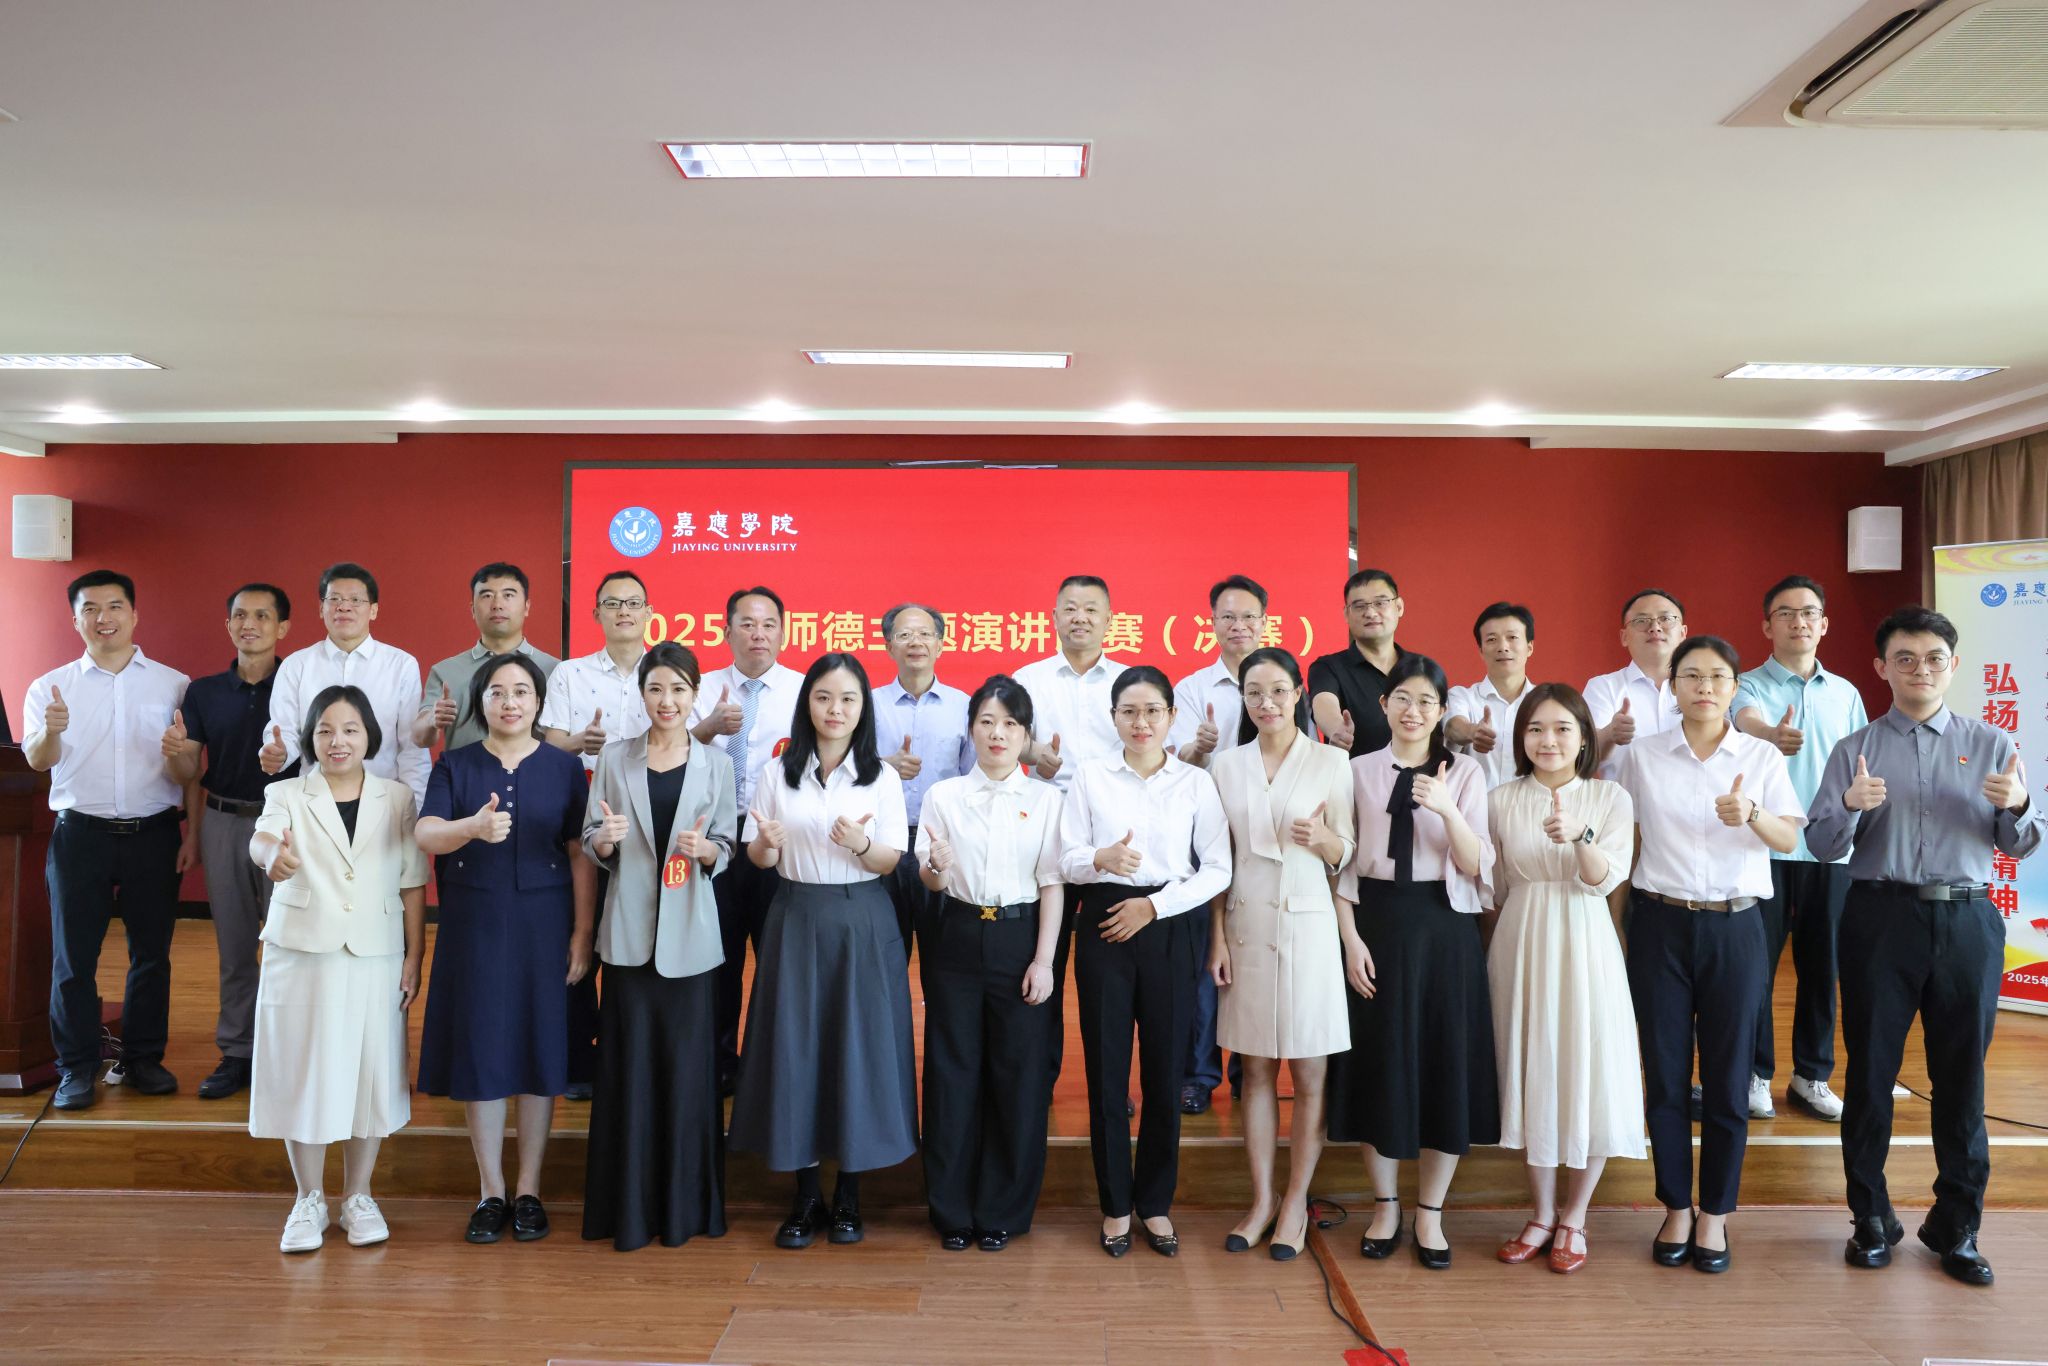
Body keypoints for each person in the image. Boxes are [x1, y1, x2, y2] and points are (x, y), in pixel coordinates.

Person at [1809, 605, 2043, 1287]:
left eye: (1934, 657)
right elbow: (1821, 844)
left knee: (1962, 1078)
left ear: (1953, 665)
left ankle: (1957, 1226)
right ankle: (1870, 1217)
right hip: (1879, 918)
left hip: (1968, 921)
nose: (1920, 669)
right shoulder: (1854, 749)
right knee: (1870, 1074)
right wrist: (1849, 805)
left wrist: (2018, 806)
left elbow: (2021, 846)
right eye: (1905, 658)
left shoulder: (1992, 743)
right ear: (1881, 667)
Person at [1614, 636, 1802, 1274]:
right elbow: (1624, 840)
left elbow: (1787, 837)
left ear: (1734, 686)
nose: (1704, 687)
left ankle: (1715, 1213)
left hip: (1736, 926)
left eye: (1717, 676)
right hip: (1659, 923)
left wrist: (1751, 812)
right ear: (1672, 686)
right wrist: (1616, 927)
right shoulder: (1642, 756)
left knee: (1727, 1076)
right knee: (1665, 1072)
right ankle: (1675, 1205)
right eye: (1691, 675)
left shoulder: (1760, 755)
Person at [731, 653, 916, 1250]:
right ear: (806, 703)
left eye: (848, 699)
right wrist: (765, 843)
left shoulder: (881, 777)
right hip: (795, 914)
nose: (835, 709)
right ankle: (806, 1195)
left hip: (862, 919)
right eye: (824, 697)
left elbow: (890, 860)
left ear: (863, 709)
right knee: (797, 1050)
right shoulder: (777, 772)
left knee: (857, 1051)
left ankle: (850, 1197)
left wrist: (861, 843)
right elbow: (758, 857)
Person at [414, 654, 596, 1244]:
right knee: (483, 1053)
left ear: (539, 702)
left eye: (521, 691)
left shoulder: (565, 768)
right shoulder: (456, 764)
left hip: (547, 924)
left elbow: (580, 852)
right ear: (481, 703)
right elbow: (426, 832)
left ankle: (529, 1190)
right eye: (497, 692)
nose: (510, 702)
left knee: (540, 1053)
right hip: (476, 926)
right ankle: (490, 1191)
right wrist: (471, 827)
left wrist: (583, 933)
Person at [1326, 654, 1495, 1270]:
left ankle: (1431, 1212)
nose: (1413, 710)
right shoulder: (1355, 770)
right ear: (1383, 705)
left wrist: (1447, 807)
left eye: (1426, 701)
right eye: (1402, 698)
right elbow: (1342, 866)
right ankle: (1385, 1206)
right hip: (1374, 924)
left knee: (1442, 1063)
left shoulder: (1466, 773)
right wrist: (1350, 941)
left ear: (1442, 710)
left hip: (1444, 928)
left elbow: (1476, 863)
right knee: (1379, 1064)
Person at [247, 684, 429, 1253]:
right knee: (305, 1070)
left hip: (376, 950)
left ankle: (358, 1196)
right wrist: (273, 857)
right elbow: (263, 838)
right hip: (302, 951)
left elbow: (413, 882)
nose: (338, 740)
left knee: (369, 1072)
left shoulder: (396, 798)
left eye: (350, 729)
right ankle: (308, 1199)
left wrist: (415, 955)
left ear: (369, 735)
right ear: (310, 738)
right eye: (325, 730)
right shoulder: (286, 792)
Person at [1058, 665, 1231, 1259]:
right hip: (1105, 920)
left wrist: (1154, 907)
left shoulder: (1195, 783)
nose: (1141, 722)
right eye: (1129, 711)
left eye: (1153, 710)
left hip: (1169, 921)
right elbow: (1065, 857)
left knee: (1165, 1072)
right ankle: (1114, 1206)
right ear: (1113, 718)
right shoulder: (1090, 776)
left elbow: (1217, 868)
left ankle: (1155, 1204)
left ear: (1171, 716)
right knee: (1107, 1072)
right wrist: (1100, 858)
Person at [581, 642, 737, 1251]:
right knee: (629, 1074)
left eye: (678, 689)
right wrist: (606, 840)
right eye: (655, 689)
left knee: (688, 1076)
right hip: (628, 937)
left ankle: (685, 1210)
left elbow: (727, 842)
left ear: (695, 694)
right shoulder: (614, 758)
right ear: (641, 694)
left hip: (691, 939)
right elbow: (591, 837)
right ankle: (627, 1210)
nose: (667, 701)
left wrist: (709, 851)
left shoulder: (715, 764)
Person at [1487, 683, 1646, 1275]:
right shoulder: (1500, 799)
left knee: (1588, 1066)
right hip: (1522, 935)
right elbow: (1494, 886)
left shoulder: (1609, 797)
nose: (1547, 740)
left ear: (1583, 738)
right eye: (1535, 729)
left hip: (1585, 936)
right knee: (1531, 1066)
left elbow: (1605, 880)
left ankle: (1575, 1217)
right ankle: (1540, 1213)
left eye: (1561, 729)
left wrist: (1579, 836)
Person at [22, 570, 191, 1110]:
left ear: (134, 614)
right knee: (73, 959)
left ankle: (142, 1059)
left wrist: (179, 754)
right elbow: (38, 761)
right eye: (90, 609)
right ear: (75, 619)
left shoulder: (173, 685)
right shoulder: (50, 687)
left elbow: (189, 772)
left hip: (153, 834)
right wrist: (51, 730)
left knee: (152, 954)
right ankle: (75, 1067)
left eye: (115, 606)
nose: (104, 618)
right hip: (80, 836)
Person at [1207, 647, 1354, 1260]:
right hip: (1244, 925)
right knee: (1257, 1070)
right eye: (1253, 693)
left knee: (1311, 1070)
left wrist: (1325, 840)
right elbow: (1216, 861)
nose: (1266, 703)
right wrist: (1216, 936)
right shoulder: (1225, 765)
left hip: (1309, 926)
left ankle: (1296, 1201)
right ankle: (1262, 1198)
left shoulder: (1331, 761)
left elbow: (1349, 856)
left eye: (1277, 691)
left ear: (1299, 694)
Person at [914, 674, 1064, 1251]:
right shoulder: (944, 795)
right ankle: (951, 1210)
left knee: (1018, 1074)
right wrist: (937, 866)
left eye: (1010, 724)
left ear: (1025, 736)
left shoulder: (1046, 800)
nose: (998, 734)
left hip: (1020, 937)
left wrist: (1045, 961)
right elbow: (931, 880)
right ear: (971, 729)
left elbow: (1052, 883)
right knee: (951, 1070)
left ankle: (1003, 1209)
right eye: (987, 722)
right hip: (955, 933)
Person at [1729, 575, 1868, 1123]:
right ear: (1767, 626)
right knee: (1755, 971)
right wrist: (1769, 735)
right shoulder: (1746, 684)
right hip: (1763, 846)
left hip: (1830, 851)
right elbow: (1744, 721)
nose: (1798, 621)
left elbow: (1863, 764)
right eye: (1785, 613)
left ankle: (1812, 1075)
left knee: (1822, 969)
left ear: (1824, 624)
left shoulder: (1846, 694)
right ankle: (1755, 1074)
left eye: (1808, 612)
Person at [166, 582, 294, 1101]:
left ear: (283, 627)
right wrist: (175, 753)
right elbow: (188, 772)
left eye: (262, 616)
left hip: (287, 825)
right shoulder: (203, 692)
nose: (250, 624)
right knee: (235, 946)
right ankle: (237, 1051)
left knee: (289, 945)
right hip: (223, 821)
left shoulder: (300, 683)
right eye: (240, 615)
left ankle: (283, 1053)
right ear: (228, 625)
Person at [538, 569, 654, 1100]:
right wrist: (582, 741)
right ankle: (580, 1062)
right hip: (582, 818)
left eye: (633, 603)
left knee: (639, 940)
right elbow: (550, 742)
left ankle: (631, 1058)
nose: (623, 611)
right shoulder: (570, 673)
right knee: (579, 935)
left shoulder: (665, 668)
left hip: (651, 823)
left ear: (649, 612)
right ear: (597, 614)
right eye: (612, 603)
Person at [688, 585, 804, 1095]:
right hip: (713, 836)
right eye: (748, 623)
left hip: (777, 838)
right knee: (719, 959)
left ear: (783, 632)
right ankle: (718, 1064)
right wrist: (708, 727)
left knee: (779, 961)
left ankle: (773, 1069)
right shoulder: (699, 689)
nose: (759, 633)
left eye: (769, 624)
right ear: (726, 630)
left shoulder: (805, 691)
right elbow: (669, 751)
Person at [1013, 574, 1125, 1099]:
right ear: (1053, 617)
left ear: (1109, 619)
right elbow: (1004, 739)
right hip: (1043, 836)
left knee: (1109, 975)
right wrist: (1032, 753)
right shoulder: (1027, 680)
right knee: (1044, 960)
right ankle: (1039, 1078)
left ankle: (1110, 1088)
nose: (1080, 617)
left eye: (1091, 608)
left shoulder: (1127, 682)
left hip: (1110, 842)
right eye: (1070, 608)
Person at [1170, 574, 1268, 1114]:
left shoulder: (1281, 682)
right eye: (1227, 616)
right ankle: (1198, 1074)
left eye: (1248, 616)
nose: (1238, 625)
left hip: (1263, 834)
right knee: (1205, 958)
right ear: (1212, 623)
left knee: (1251, 952)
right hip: (1203, 833)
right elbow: (1173, 763)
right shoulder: (1191, 689)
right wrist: (1199, 748)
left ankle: (1247, 1070)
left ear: (1264, 622)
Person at [264, 561, 430, 806]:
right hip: (314, 801)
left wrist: (416, 809)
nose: (343, 607)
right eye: (334, 599)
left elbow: (412, 747)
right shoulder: (296, 665)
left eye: (355, 600)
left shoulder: (401, 665)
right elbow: (285, 731)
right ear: (321, 608)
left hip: (383, 801)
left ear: (373, 610)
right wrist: (278, 752)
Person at [872, 602, 973, 951]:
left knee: (943, 951)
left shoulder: (964, 707)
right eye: (904, 635)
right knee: (885, 950)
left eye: (925, 634)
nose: (915, 642)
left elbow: (972, 779)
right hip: (883, 840)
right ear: (889, 646)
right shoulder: (867, 705)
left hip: (941, 843)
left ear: (940, 645)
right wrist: (885, 766)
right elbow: (847, 771)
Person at [413, 562, 561, 753]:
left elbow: (561, 741)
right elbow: (419, 739)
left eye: (508, 595)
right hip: (464, 772)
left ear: (526, 607)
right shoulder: (445, 671)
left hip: (534, 772)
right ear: (472, 609)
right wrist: (432, 719)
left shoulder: (555, 670)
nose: (497, 605)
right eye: (487, 596)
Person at [1307, 568, 1410, 759]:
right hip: (1354, 777)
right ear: (1346, 614)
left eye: (1380, 603)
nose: (1370, 613)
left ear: (1399, 607)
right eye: (1359, 606)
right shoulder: (1328, 667)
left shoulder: (1420, 668)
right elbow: (1323, 702)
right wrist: (1337, 728)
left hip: (1420, 777)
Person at [1584, 589, 1687, 776]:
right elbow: (1582, 757)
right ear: (1624, 637)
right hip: (1626, 795)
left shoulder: (1702, 687)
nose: (1655, 627)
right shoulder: (1603, 687)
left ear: (1682, 633)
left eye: (1665, 619)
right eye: (1641, 620)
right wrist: (1609, 733)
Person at [1446, 602, 1536, 790]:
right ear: (1481, 651)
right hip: (1475, 806)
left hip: (1532, 806)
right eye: (1492, 639)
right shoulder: (1462, 696)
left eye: (1512, 637)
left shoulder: (1545, 704)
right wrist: (1472, 732)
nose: (1503, 647)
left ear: (1529, 647)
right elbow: (1453, 727)